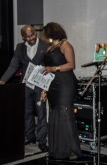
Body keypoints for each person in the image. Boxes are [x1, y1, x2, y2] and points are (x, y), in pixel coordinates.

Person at [0, 25, 48, 152]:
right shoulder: (19, 47)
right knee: (27, 112)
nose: (31, 37)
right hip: (26, 84)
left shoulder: (45, 45)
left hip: (40, 85)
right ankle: (30, 136)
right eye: (28, 36)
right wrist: (2, 80)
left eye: (33, 34)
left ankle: (42, 140)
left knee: (41, 112)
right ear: (23, 37)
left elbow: (50, 65)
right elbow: (13, 65)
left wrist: (47, 86)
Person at [42, 22, 81, 160]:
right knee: (55, 115)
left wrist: (53, 69)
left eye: (44, 34)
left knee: (65, 114)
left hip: (65, 84)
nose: (43, 36)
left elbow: (71, 65)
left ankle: (72, 150)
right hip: (53, 85)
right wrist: (44, 90)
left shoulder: (65, 45)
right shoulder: (49, 48)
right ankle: (58, 149)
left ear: (51, 33)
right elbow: (46, 71)